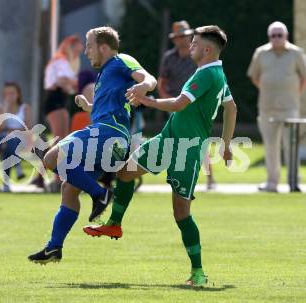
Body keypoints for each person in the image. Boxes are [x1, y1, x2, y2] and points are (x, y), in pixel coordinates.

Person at [84, 26, 237, 287]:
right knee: (125, 172)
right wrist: (226, 143)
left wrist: (148, 101)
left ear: (207, 49)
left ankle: (198, 272)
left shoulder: (209, 74)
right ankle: (115, 224)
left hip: (187, 149)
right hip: (167, 139)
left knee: (181, 213)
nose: (190, 46)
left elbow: (179, 104)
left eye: (194, 43)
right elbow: (231, 107)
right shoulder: (214, 73)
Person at [28, 26, 157, 264]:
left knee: (50, 158)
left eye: (89, 46)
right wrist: (89, 106)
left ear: (104, 47)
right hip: (110, 136)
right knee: (69, 188)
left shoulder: (120, 61)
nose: (86, 52)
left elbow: (149, 78)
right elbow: (113, 105)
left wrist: (144, 86)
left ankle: (100, 193)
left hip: (108, 133)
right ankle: (54, 248)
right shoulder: (107, 72)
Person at [247, 21, 306, 192]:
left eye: (280, 35)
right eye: (273, 35)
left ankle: (293, 183)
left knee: (291, 146)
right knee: (270, 146)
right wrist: (267, 88)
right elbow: (254, 76)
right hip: (266, 107)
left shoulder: (296, 53)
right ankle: (272, 183)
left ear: (286, 36)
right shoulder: (261, 53)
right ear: (269, 37)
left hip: (289, 108)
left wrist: (293, 92)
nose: (276, 38)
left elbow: (304, 77)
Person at [159, 20, 216, 189]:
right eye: (177, 37)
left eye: (183, 36)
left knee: (201, 142)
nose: (180, 40)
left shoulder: (199, 55)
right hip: (175, 104)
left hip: (197, 105)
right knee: (176, 142)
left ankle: (210, 178)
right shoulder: (169, 58)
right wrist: (166, 100)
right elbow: (162, 81)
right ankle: (179, 178)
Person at [31, 35, 84, 192]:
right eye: (76, 50)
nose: (77, 55)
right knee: (60, 139)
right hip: (55, 99)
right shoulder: (60, 60)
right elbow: (62, 81)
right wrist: (77, 83)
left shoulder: (61, 61)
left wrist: (72, 84)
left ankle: (45, 176)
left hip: (60, 99)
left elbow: (67, 84)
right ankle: (52, 176)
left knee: (61, 139)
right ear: (70, 46)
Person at [0, 82, 31, 192]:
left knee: (10, 143)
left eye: (12, 93)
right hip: (1, 140)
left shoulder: (25, 108)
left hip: (21, 141)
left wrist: (12, 132)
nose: (10, 96)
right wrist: (5, 110)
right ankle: (18, 166)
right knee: (8, 139)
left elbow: (28, 128)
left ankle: (6, 183)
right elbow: (0, 128)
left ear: (18, 94)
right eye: (7, 93)